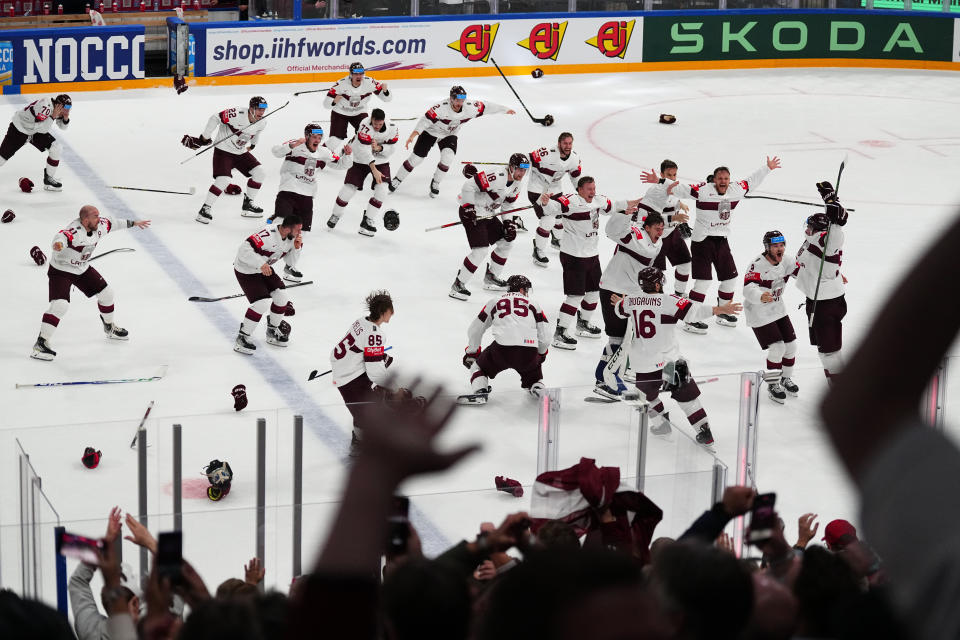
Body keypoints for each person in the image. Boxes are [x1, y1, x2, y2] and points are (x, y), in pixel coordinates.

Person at [646, 156, 781, 333]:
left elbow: (751, 181)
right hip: (702, 241)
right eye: (720, 179)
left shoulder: (736, 189)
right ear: (714, 180)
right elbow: (681, 189)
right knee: (703, 282)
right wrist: (660, 181)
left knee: (730, 278)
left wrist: (767, 168)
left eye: (726, 179)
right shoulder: (703, 190)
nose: (723, 182)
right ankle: (691, 318)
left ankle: (723, 311)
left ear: (729, 180)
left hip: (722, 240)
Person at [612, 266, 742, 444]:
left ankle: (661, 425)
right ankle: (704, 431)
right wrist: (719, 310)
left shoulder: (631, 301)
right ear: (657, 285)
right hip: (669, 362)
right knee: (688, 399)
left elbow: (619, 310)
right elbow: (693, 312)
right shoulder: (668, 300)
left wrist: (621, 302)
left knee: (647, 397)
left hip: (645, 363)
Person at [31, 205, 151, 361]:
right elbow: (62, 237)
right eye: (95, 216)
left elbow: (114, 223)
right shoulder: (75, 231)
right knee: (60, 305)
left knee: (107, 294)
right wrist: (58, 245)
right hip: (61, 270)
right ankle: (40, 344)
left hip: (81, 268)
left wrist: (134, 223)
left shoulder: (101, 225)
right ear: (85, 220)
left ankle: (109, 327)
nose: (99, 218)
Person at [541, 176, 640, 351]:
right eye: (589, 189)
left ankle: (583, 323)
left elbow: (616, 206)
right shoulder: (569, 201)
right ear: (580, 189)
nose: (592, 192)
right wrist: (545, 202)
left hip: (592, 255)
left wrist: (638, 202)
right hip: (573, 255)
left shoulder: (598, 200)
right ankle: (560, 331)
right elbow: (551, 209)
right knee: (575, 295)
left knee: (594, 291)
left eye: (594, 188)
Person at [596, 199, 673, 399]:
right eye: (657, 228)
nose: (660, 232)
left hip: (628, 293)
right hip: (614, 290)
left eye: (662, 228)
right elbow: (612, 231)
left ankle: (612, 375)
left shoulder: (656, 243)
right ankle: (605, 379)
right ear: (646, 227)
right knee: (619, 337)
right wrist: (622, 213)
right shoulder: (638, 238)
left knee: (626, 337)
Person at [389, 86, 515, 198]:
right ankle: (397, 179)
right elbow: (424, 121)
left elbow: (487, 106)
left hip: (449, 134)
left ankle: (436, 182)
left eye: (462, 100)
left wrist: (505, 109)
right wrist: (413, 135)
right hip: (431, 132)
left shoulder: (471, 107)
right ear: (451, 99)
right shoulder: (439, 108)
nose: (460, 103)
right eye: (457, 100)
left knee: (448, 158)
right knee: (416, 159)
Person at [458, 274, 550, 405]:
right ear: (522, 290)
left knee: (477, 367)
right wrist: (540, 354)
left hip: (502, 349)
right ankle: (539, 389)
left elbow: (475, 329)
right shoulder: (534, 304)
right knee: (533, 374)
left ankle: (480, 391)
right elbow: (545, 337)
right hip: (528, 350)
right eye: (526, 290)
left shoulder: (495, 301)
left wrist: (472, 352)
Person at [448, 154, 528, 301]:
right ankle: (458, 285)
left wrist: (508, 223)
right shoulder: (497, 175)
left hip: (487, 213)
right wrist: (468, 207)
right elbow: (468, 186)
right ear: (511, 167)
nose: (522, 173)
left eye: (525, 170)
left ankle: (491, 277)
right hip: (472, 211)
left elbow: (508, 204)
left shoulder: (517, 184)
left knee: (506, 242)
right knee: (481, 250)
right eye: (519, 170)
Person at [182, 96, 270, 224]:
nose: (261, 113)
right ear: (251, 108)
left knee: (260, 173)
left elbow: (256, 133)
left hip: (240, 152)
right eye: (259, 110)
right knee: (224, 180)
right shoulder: (237, 113)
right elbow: (215, 117)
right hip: (223, 150)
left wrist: (253, 145)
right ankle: (204, 209)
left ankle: (248, 204)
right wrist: (204, 138)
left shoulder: (262, 122)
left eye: (263, 110)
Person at [793, 181, 849, 381]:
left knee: (829, 353)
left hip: (826, 304)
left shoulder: (826, 240)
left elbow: (837, 228)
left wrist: (832, 202)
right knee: (825, 349)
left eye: (810, 227)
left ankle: (841, 392)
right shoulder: (812, 239)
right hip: (819, 300)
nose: (807, 230)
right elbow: (804, 265)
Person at [329, 290, 396, 453]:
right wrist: (393, 387)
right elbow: (374, 371)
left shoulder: (361, 321)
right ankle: (359, 443)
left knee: (386, 359)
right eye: (390, 310)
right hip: (349, 378)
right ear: (383, 312)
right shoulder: (375, 334)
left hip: (343, 367)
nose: (393, 313)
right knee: (369, 413)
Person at [270, 123, 350, 250]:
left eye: (319, 137)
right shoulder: (296, 144)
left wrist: (348, 155)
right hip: (289, 189)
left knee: (303, 232)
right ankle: (271, 245)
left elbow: (341, 165)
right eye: (314, 137)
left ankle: (289, 251)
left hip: (307, 194)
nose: (317, 140)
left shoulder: (324, 152)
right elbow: (275, 151)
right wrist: (291, 146)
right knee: (281, 221)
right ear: (307, 136)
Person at [232, 215, 302, 355]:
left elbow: (290, 263)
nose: (300, 233)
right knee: (262, 303)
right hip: (246, 269)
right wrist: (260, 263)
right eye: (298, 230)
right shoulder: (267, 235)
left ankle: (272, 330)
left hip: (264, 269)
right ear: (287, 229)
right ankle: (243, 337)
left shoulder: (293, 239)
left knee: (282, 297)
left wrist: (296, 248)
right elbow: (243, 250)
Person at [743, 230, 799, 402]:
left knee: (791, 346)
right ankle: (773, 383)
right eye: (775, 246)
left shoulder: (787, 261)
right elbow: (747, 289)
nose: (779, 249)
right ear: (767, 247)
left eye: (782, 245)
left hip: (777, 308)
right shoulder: (757, 265)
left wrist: (830, 276)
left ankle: (785, 378)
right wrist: (759, 296)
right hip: (758, 311)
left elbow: (803, 273)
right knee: (777, 348)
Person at [327, 108, 399, 237]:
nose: (377, 127)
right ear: (371, 119)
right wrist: (374, 169)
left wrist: (380, 148)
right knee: (348, 189)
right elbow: (363, 150)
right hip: (359, 159)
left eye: (380, 124)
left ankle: (367, 221)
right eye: (375, 124)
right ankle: (336, 215)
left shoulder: (392, 128)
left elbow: (392, 148)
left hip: (381, 160)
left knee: (382, 190)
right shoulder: (364, 125)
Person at [528, 132, 583, 266]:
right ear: (559, 143)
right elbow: (528, 160)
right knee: (548, 220)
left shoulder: (574, 158)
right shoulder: (546, 153)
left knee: (560, 216)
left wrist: (580, 191)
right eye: (565, 143)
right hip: (537, 190)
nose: (568, 146)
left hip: (555, 191)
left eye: (570, 143)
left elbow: (575, 177)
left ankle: (556, 240)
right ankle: (538, 250)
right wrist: (519, 165)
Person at [0, 93, 71, 191]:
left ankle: (48, 181)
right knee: (1, 159)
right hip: (20, 129)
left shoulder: (57, 108)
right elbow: (43, 129)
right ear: (58, 105)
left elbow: (63, 127)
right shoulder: (45, 107)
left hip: (35, 129)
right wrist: (53, 116)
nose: (68, 109)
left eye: (69, 107)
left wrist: (65, 117)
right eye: (66, 107)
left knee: (56, 148)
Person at [322, 61, 392, 154]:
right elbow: (326, 104)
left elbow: (387, 99)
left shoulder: (370, 82)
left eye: (361, 73)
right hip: (340, 112)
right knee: (335, 140)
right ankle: (317, 157)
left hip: (359, 112)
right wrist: (334, 101)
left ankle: (347, 149)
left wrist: (386, 91)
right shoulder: (340, 84)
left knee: (366, 135)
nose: (359, 76)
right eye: (356, 74)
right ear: (350, 74)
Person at [652, 159, 694, 298]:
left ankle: (679, 293)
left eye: (675, 175)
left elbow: (672, 200)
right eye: (669, 175)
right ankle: (656, 297)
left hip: (672, 234)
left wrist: (680, 204)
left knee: (685, 263)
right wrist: (674, 218)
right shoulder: (655, 192)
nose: (673, 178)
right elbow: (651, 218)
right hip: (655, 238)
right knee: (655, 272)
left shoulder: (675, 188)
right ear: (661, 174)